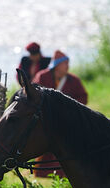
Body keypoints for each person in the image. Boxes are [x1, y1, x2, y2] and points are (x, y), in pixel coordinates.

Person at [31, 49, 88, 178]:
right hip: (46, 120)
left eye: (68, 63)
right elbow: (35, 96)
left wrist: (69, 110)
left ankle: (65, 171)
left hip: (67, 121)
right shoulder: (42, 77)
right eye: (65, 64)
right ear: (57, 65)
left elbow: (83, 97)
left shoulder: (74, 80)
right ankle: (42, 172)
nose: (68, 66)